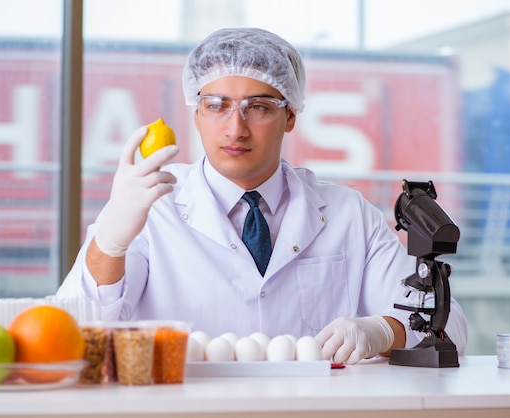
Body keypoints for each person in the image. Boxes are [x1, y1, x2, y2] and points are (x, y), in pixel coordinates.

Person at [57, 27, 467, 364]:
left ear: (290, 116)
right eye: (217, 105)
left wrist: (382, 330)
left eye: (259, 107)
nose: (236, 129)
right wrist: (109, 242)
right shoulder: (149, 207)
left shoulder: (347, 213)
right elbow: (71, 329)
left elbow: (450, 325)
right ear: (196, 114)